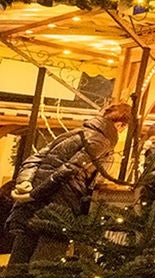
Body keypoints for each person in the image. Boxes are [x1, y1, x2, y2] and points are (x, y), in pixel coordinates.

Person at [5, 103, 131, 265]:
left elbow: (34, 159)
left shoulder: (74, 133)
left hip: (32, 206)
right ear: (120, 125)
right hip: (59, 210)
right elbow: (69, 170)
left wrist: (25, 183)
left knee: (18, 262)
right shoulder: (101, 141)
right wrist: (33, 194)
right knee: (44, 267)